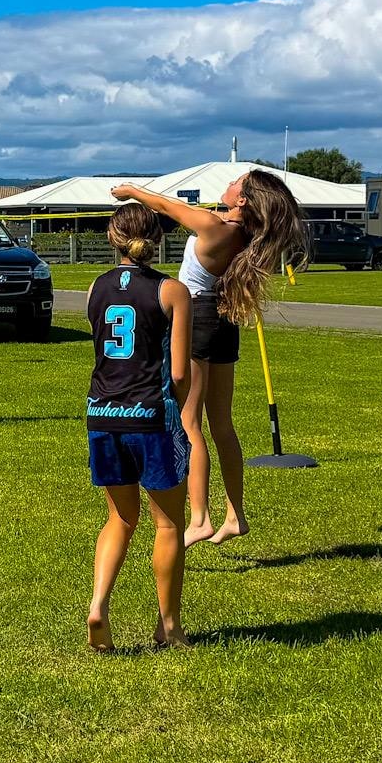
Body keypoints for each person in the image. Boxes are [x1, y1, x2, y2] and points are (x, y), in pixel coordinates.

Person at [108, 170, 311, 544]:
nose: (231, 180)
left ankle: (200, 518)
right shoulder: (241, 233)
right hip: (223, 319)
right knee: (222, 424)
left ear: (243, 199)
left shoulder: (218, 228)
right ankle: (235, 514)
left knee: (190, 423)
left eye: (238, 180)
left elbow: (166, 205)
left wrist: (130, 190)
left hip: (199, 319)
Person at [82, 201, 196, 650]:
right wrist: (180, 409)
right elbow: (181, 373)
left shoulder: (95, 287)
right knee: (167, 525)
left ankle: (98, 605)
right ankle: (169, 627)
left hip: (101, 414)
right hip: (149, 415)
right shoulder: (173, 292)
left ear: (112, 239)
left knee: (118, 518)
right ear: (158, 239)